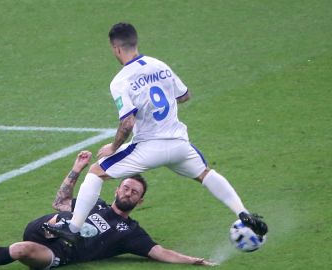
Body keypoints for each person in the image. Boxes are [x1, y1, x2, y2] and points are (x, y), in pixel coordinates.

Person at [46, 22, 268, 244]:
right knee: (205, 174)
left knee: (96, 172)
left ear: (115, 48)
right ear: (136, 42)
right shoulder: (159, 65)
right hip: (179, 144)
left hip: (149, 146)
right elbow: (184, 95)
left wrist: (113, 148)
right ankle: (242, 212)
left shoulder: (121, 80)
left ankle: (73, 228)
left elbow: (127, 123)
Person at [0, 151, 216, 268]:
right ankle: (66, 229)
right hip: (44, 227)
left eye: (135, 192)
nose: (128, 192)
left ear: (140, 202)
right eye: (126, 187)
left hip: (58, 253)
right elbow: (61, 201)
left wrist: (193, 260)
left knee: (19, 250)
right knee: (65, 215)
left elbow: (158, 252)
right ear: (117, 189)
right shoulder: (97, 203)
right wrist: (76, 169)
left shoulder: (130, 232)